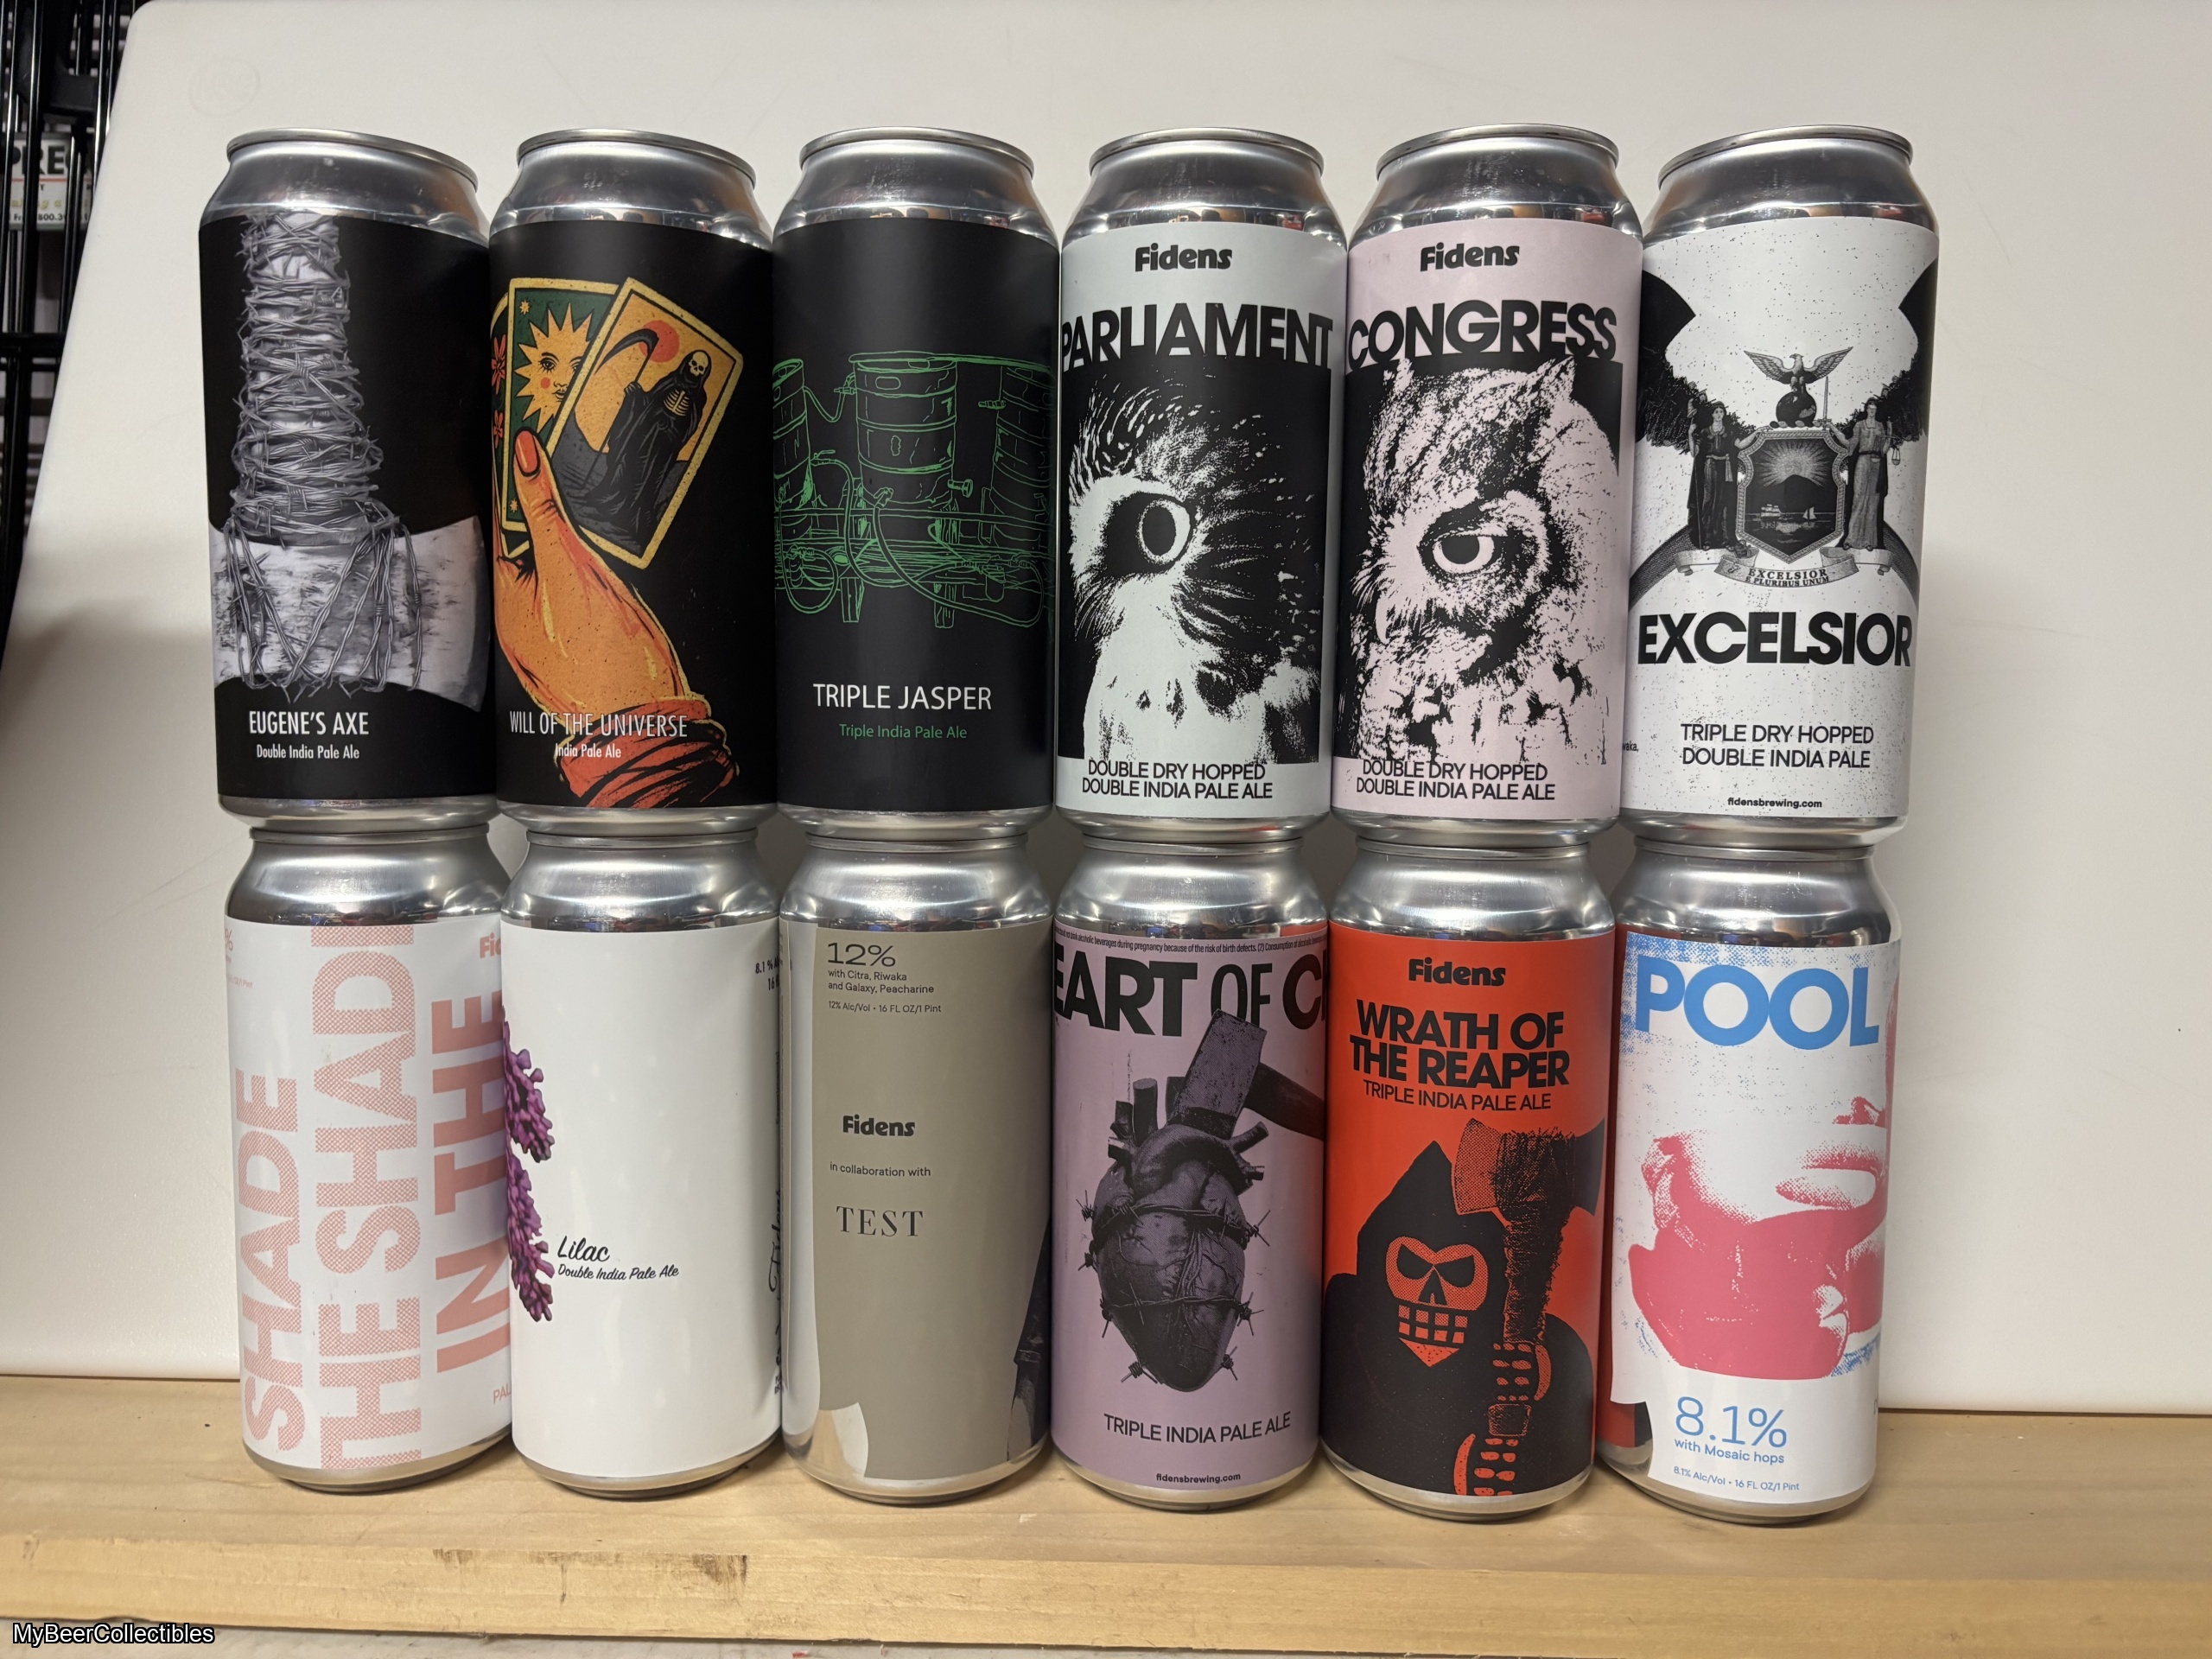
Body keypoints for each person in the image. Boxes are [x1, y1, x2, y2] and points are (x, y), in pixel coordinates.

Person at [1840, 404, 1892, 550]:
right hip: (1862, 462)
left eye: (1874, 409)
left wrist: (1890, 431)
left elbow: (1884, 449)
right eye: (1870, 408)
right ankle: (1851, 539)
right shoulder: (1860, 425)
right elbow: (1850, 445)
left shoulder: (1880, 426)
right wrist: (1833, 428)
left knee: (1873, 501)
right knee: (1858, 498)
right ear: (1866, 410)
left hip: (1876, 463)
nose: (1872, 411)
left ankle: (1869, 541)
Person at [1688, 406, 1736, 550]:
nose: (1719, 414)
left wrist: (1757, 433)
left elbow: (1739, 444)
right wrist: (1690, 434)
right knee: (1708, 501)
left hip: (1724, 466)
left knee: (1723, 502)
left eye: (1721, 412)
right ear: (1712, 415)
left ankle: (1725, 540)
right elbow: (1694, 452)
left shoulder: (1728, 431)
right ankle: (1707, 539)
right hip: (1709, 466)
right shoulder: (1705, 432)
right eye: (1716, 412)